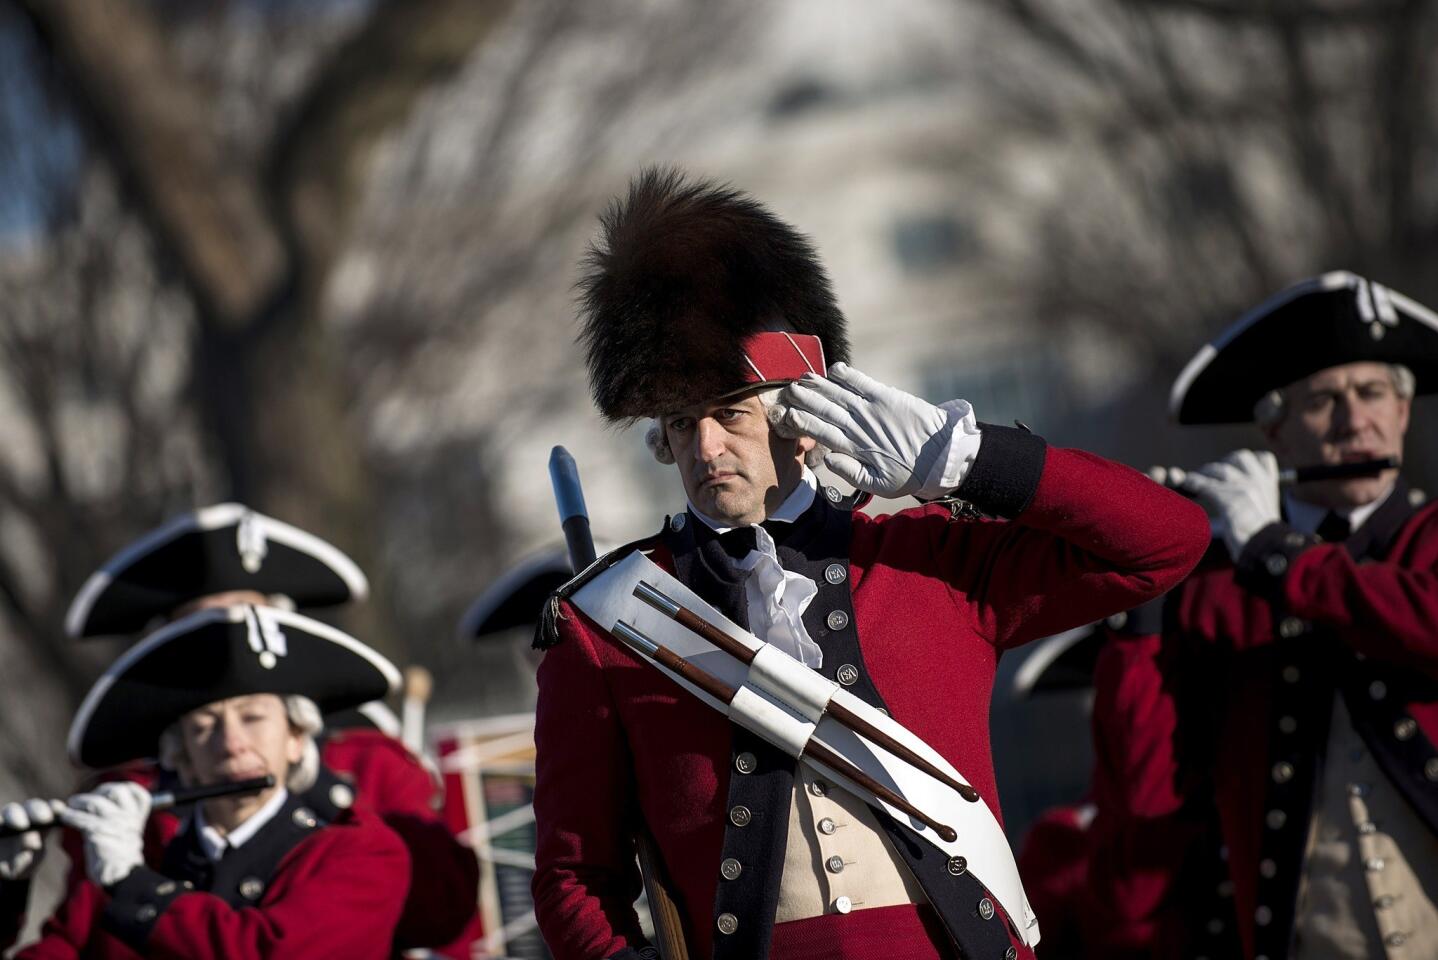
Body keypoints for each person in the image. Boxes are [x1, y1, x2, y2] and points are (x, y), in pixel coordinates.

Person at [529, 167, 1211, 960]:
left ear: (804, 419)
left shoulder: (929, 561)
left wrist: (967, 460)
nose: (705, 448)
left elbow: (1168, 541)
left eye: (728, 414)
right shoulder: (610, 622)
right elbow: (573, 879)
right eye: (681, 425)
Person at [1083, 271, 1438, 959]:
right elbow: (1149, 791)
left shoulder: (1429, 538)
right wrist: (1142, 590)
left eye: (1372, 394)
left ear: (1402, 412)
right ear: (1274, 428)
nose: (1354, 420)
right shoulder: (1214, 588)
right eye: (1323, 401)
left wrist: (1274, 550)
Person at [60, 503, 480, 957]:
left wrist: (316, 790)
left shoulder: (369, 764)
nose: (228, 645)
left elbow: (445, 915)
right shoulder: (133, 795)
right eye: (200, 630)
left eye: (247, 620)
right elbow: (74, 941)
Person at [0, 604, 411, 957]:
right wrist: (7, 889)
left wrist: (132, 883)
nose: (231, 743)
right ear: (182, 758)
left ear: (296, 739)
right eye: (204, 726)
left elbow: (270, 953)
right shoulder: (133, 861)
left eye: (253, 718)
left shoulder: (362, 855)